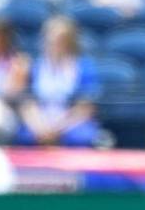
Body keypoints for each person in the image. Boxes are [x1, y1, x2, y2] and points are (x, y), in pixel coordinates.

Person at [16, 16, 102, 148]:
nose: (53, 43)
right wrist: (39, 127)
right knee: (23, 136)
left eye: (59, 40)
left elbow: (86, 107)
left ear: (70, 41)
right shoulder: (36, 66)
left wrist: (58, 128)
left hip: (72, 123)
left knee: (82, 137)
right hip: (41, 121)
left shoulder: (84, 67)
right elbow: (27, 104)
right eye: (49, 39)